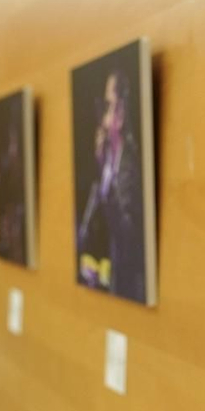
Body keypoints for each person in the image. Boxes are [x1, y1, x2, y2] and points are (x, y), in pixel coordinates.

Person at [76, 69, 146, 301]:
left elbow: (127, 235)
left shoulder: (130, 165)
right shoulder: (108, 160)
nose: (102, 118)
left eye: (108, 106)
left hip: (130, 288)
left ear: (121, 113)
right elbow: (94, 226)